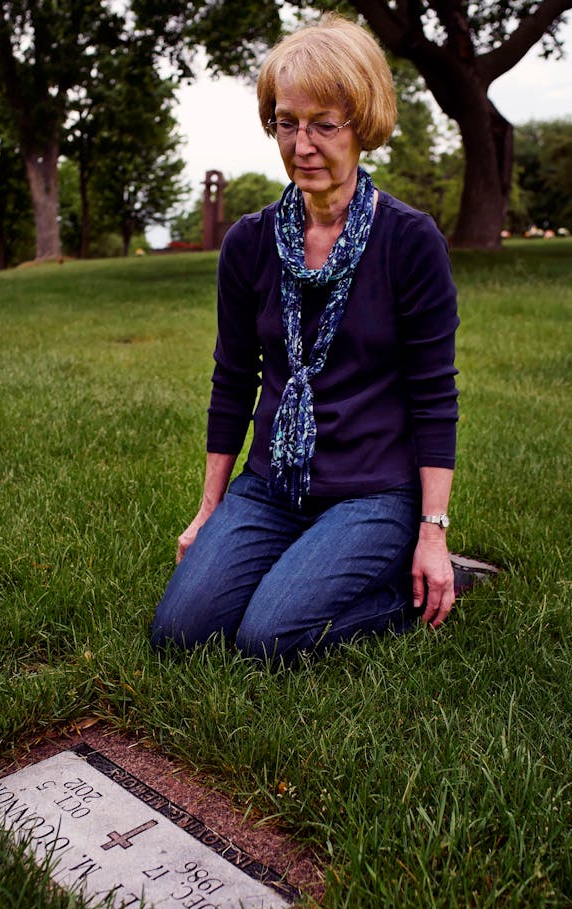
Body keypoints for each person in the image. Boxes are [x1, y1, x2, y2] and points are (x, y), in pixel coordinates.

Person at [150, 14, 460, 661]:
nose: (303, 144)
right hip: (273, 483)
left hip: (374, 489)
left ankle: (401, 581)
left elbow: (433, 395)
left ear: (362, 124)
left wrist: (432, 531)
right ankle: (301, 566)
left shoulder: (409, 241)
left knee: (269, 636)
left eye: (324, 123)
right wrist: (209, 510)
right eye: (287, 122)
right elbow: (233, 381)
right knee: (179, 630)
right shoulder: (249, 243)